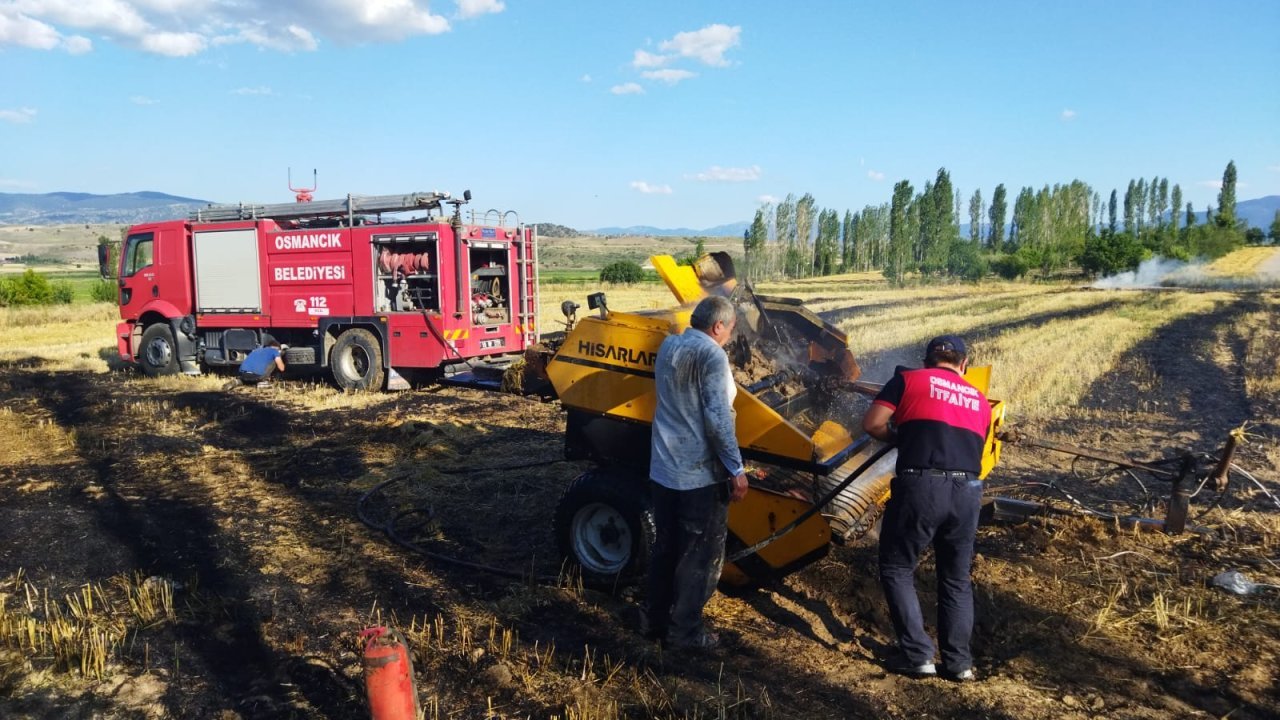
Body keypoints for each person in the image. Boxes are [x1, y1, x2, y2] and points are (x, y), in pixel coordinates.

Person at [862, 335, 991, 682]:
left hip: (922, 485)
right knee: (956, 578)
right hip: (968, 491)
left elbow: (872, 424)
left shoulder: (908, 380)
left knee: (897, 567)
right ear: (964, 365)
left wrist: (902, 437)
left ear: (926, 361)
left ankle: (918, 655)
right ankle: (959, 663)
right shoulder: (980, 399)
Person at [643, 295, 749, 650]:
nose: (730, 337)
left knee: (666, 547)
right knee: (699, 556)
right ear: (718, 326)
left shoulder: (671, 344)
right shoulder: (711, 355)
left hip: (664, 468)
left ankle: (653, 619)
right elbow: (718, 421)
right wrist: (736, 469)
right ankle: (684, 633)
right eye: (731, 329)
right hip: (698, 475)